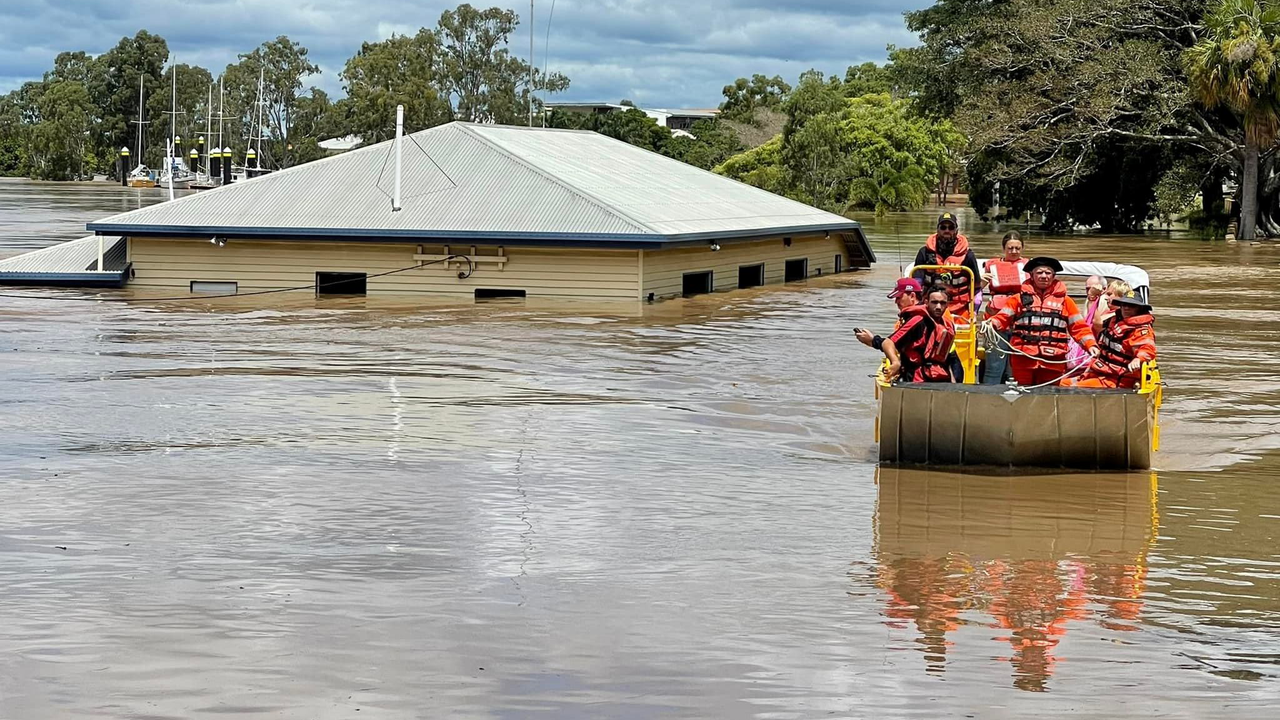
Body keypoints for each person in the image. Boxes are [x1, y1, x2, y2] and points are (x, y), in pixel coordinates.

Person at [985, 257, 1098, 387]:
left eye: (1048, 273)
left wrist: (1091, 345)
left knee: (1050, 395)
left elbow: (1079, 328)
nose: (1044, 276)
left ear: (1053, 276)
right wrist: (991, 324)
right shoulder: (1017, 299)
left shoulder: (1066, 302)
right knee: (1023, 394)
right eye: (1039, 272)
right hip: (1023, 360)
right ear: (1032, 275)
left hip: (1053, 362)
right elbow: (1002, 318)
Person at [1063, 296, 1156, 389]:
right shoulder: (1114, 321)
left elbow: (1147, 349)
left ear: (1139, 309)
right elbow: (1096, 326)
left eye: (1131, 306)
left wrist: (1138, 359)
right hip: (1098, 372)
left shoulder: (1141, 331)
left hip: (1115, 379)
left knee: (1068, 388)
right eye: (1123, 305)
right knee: (1060, 383)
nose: (1126, 308)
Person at [913, 212, 983, 322]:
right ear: (937, 230)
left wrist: (974, 312)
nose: (947, 230)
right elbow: (916, 286)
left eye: (951, 227)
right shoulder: (924, 253)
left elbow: (977, 289)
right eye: (943, 227)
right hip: (930, 308)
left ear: (956, 231)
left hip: (959, 309)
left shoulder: (968, 256)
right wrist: (915, 308)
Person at [981, 231, 1029, 384]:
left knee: (1014, 369)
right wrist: (980, 281)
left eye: (1017, 248)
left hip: (1021, 323)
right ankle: (988, 394)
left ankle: (1014, 396)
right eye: (1010, 248)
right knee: (994, 367)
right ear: (1003, 249)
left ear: (1022, 248)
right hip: (995, 322)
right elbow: (975, 292)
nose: (1014, 251)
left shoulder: (1029, 266)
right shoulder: (992, 266)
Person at [882, 286, 957, 383]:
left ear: (947, 305)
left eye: (942, 303)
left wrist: (953, 383)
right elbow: (888, 342)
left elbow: (947, 359)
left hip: (940, 378)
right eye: (934, 302)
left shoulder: (948, 325)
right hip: (916, 379)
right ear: (926, 302)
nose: (938, 307)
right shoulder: (918, 321)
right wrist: (896, 362)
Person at [856, 278, 923, 352]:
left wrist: (872, 340)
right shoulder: (915, 315)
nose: (896, 302)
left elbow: (892, 343)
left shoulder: (917, 318)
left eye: (899, 297)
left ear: (912, 296)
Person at [1067, 275, 1107, 368]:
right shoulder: (1089, 301)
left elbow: (1097, 324)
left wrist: (1096, 297)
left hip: (1096, 347)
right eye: (1087, 289)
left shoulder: (1104, 300)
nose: (1089, 292)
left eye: (1092, 289)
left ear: (1104, 289)